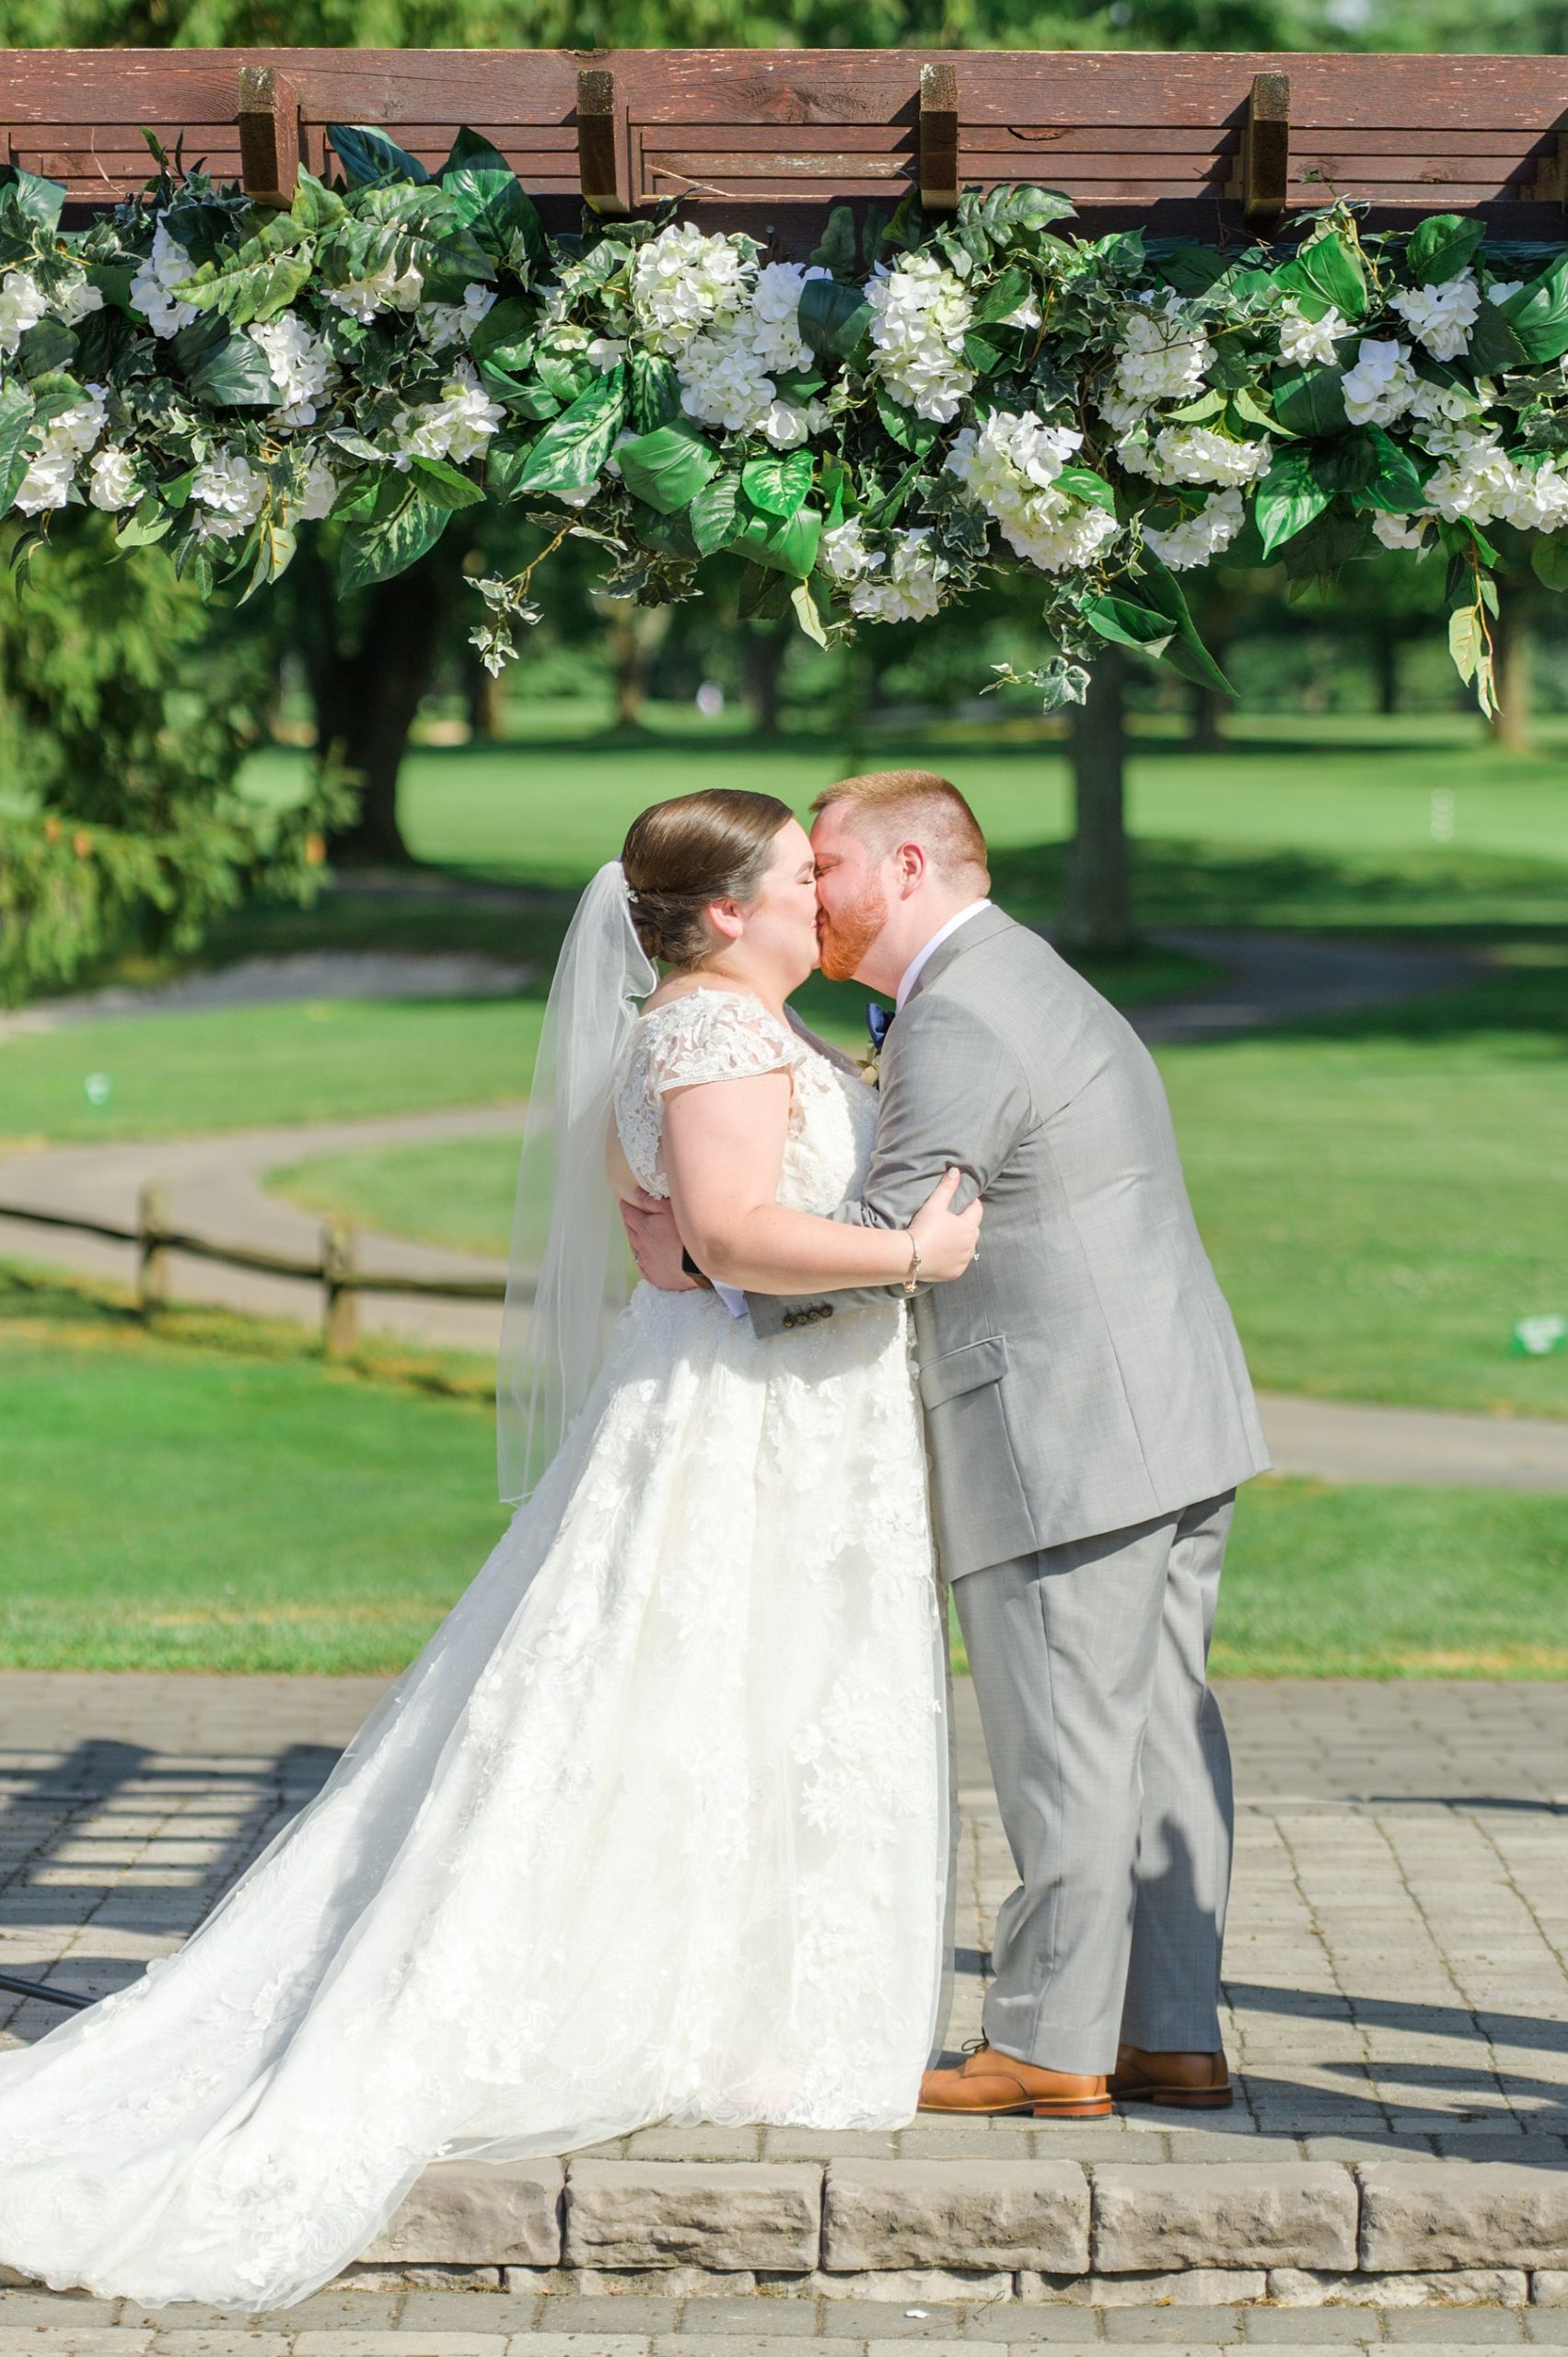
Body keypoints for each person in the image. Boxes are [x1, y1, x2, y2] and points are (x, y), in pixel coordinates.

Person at [0, 789, 981, 2316]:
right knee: (694, 1682)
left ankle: (729, 1999)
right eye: (798, 876)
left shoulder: (715, 1023)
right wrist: (913, 1255)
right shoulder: (713, 1030)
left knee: (744, 1691)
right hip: (743, 1419)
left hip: (773, 1406)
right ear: (726, 912)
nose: (821, 895)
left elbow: (666, 1226)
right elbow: (725, 1233)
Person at [625, 769, 1272, 2123]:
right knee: (1157, 1730)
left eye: (832, 871)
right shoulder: (1019, 973)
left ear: (909, 869)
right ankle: (1167, 2031)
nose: (817, 898)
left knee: (1069, 1744)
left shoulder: (960, 1012)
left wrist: (703, 1249)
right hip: (1164, 1403)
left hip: (1064, 1424)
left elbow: (898, 1230)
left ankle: (1047, 2041)